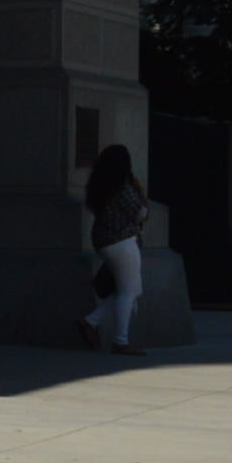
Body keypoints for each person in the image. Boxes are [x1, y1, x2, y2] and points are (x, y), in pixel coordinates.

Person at [80, 143, 151, 358]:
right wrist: (141, 195)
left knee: (129, 291)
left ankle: (90, 322)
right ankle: (120, 341)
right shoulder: (123, 187)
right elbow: (140, 213)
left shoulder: (100, 186)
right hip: (123, 241)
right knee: (129, 292)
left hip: (104, 241)